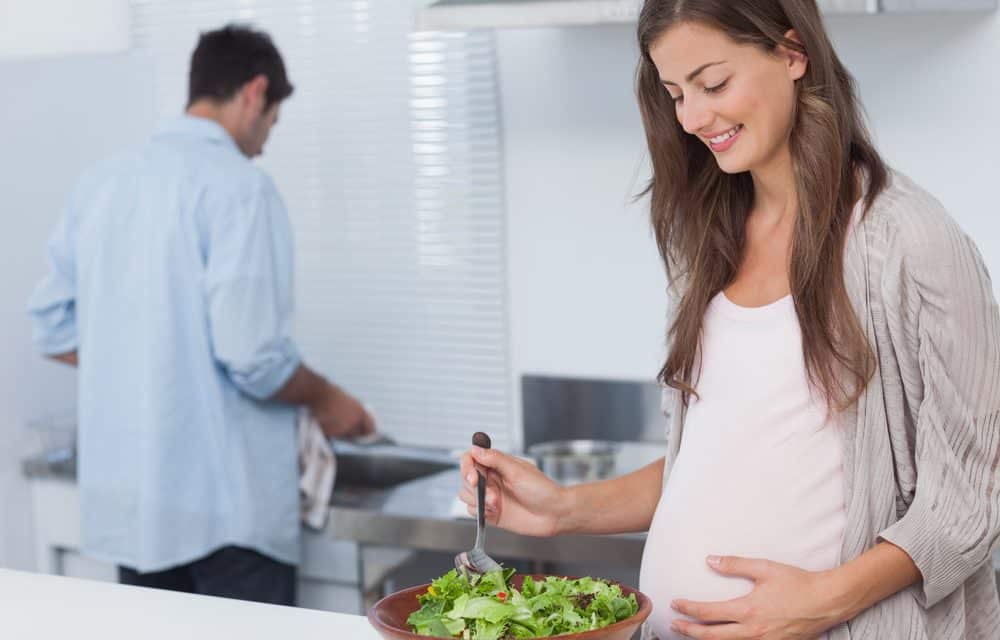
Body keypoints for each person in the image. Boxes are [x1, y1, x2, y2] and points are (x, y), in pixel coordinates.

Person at [458, 1, 1000, 638]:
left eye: (713, 84)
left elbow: (971, 499)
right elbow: (708, 461)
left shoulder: (907, 242)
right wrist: (562, 509)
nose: (692, 117)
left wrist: (823, 600)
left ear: (792, 54)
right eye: (675, 93)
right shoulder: (707, 241)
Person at [27, 24, 373, 605]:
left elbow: (52, 328)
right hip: (224, 518)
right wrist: (326, 397)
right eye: (271, 123)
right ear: (255, 92)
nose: (263, 142)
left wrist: (145, 359)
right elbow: (254, 358)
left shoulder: (103, 183)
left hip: (135, 512)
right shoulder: (241, 189)